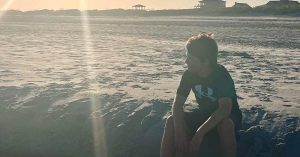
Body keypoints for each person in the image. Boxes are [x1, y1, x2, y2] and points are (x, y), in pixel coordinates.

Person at [160, 32, 242, 157]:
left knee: (226, 125)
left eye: (190, 57)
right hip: (204, 114)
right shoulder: (189, 75)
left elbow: (224, 110)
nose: (186, 61)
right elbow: (177, 104)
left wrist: (199, 133)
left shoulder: (221, 75)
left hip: (227, 117)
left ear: (205, 61)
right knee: (171, 120)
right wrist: (179, 130)